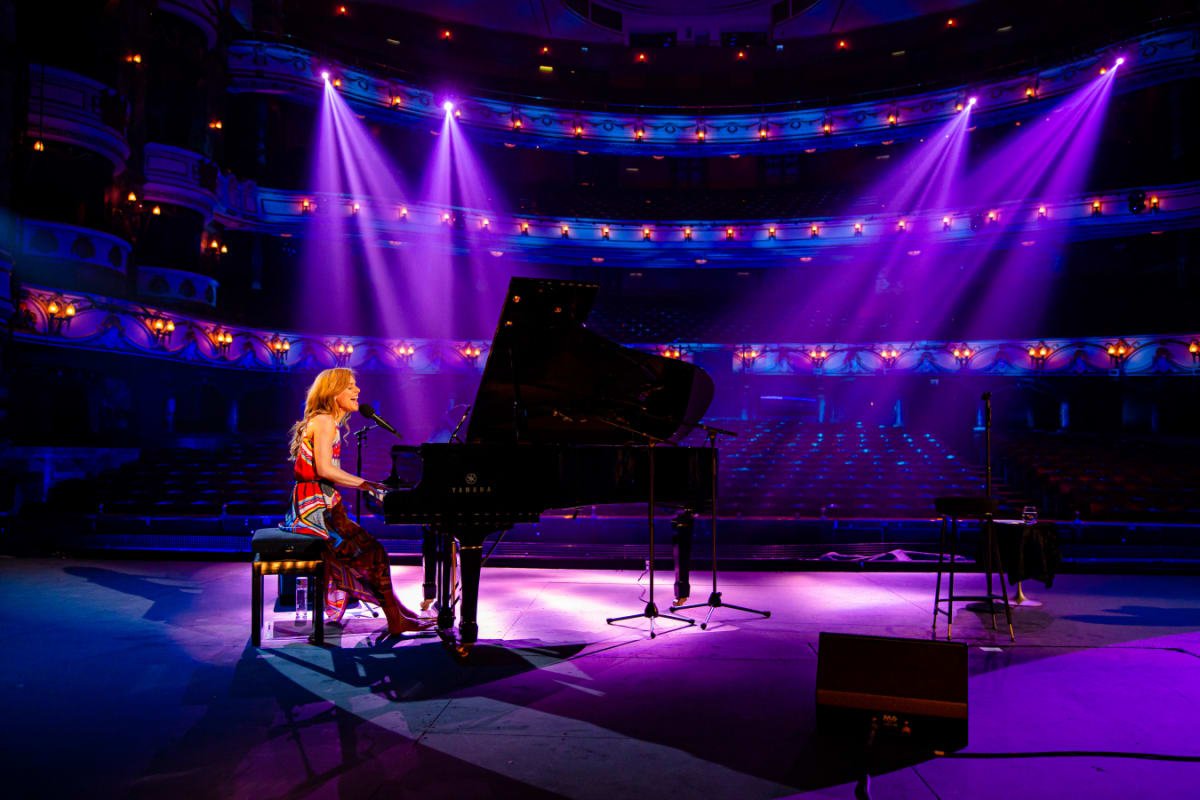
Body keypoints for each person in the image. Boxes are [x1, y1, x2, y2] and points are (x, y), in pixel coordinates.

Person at [282, 367, 430, 635]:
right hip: (314, 512)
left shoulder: (325, 421)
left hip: (318, 505)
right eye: (349, 386)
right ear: (332, 391)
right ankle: (396, 618)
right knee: (373, 554)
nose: (357, 390)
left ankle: (399, 614)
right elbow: (326, 471)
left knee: (374, 552)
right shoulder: (325, 421)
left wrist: (367, 485)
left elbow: (328, 474)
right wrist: (365, 484)